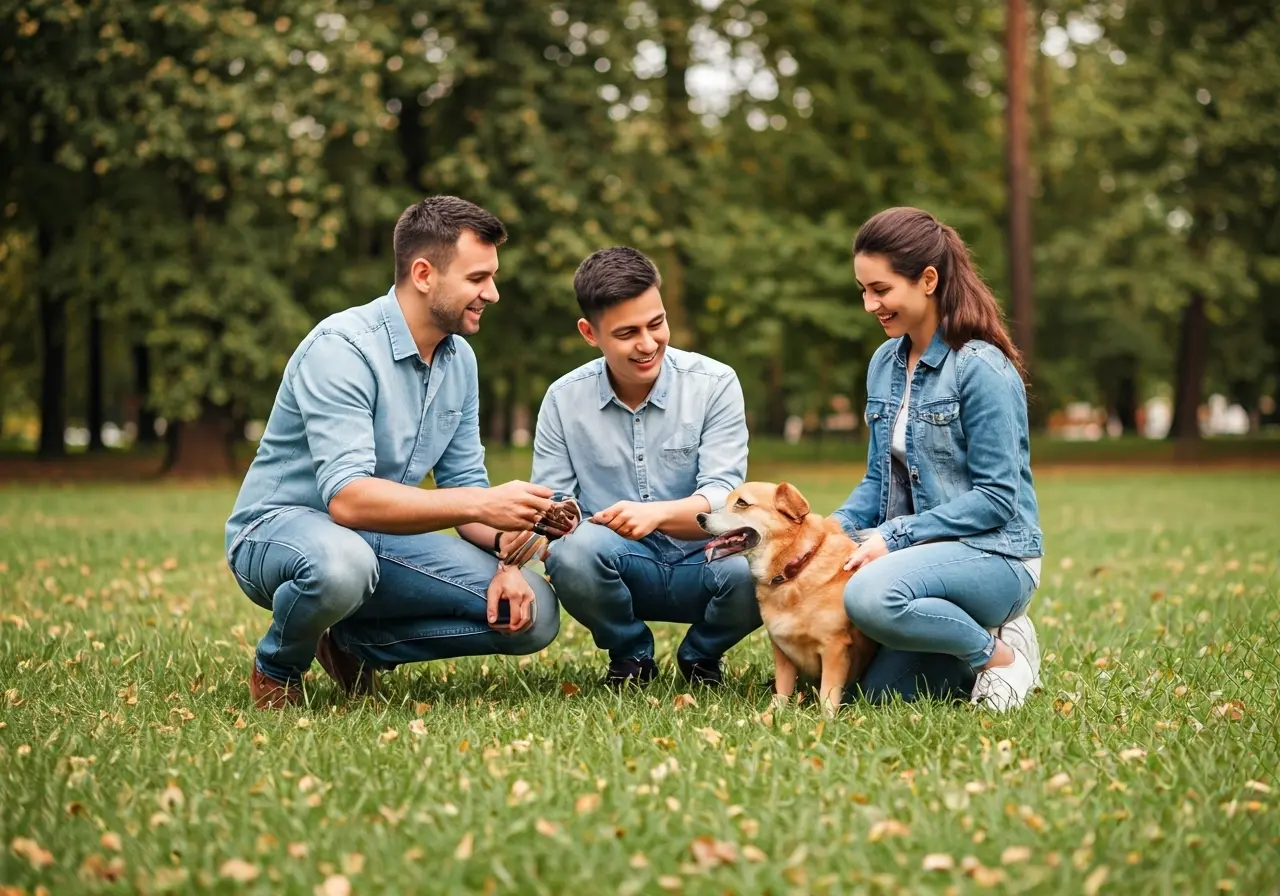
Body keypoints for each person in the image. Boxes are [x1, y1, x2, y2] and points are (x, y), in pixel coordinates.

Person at [225, 196, 561, 709]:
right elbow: (349, 502)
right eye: (477, 278)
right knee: (342, 564)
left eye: (492, 277)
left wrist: (506, 548)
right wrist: (480, 504)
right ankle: (277, 666)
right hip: (280, 531)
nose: (491, 293)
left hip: (378, 542)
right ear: (424, 273)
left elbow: (465, 485)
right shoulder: (342, 349)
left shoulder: (460, 362)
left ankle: (349, 644)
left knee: (533, 614)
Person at [832, 207, 1044, 711]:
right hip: (919, 558)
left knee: (867, 597)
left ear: (928, 280)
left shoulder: (981, 368)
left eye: (880, 290)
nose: (869, 305)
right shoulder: (884, 363)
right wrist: (829, 530)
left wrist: (893, 536)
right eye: (863, 290)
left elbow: (996, 500)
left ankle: (999, 657)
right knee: (882, 696)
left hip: (996, 553)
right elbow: (876, 479)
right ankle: (982, 636)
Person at [518, 247, 761, 687]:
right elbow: (551, 504)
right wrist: (557, 521)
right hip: (618, 563)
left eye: (657, 323)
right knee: (570, 553)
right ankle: (631, 656)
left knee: (758, 561)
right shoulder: (562, 398)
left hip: (705, 559)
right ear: (589, 333)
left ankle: (701, 656)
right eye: (627, 333)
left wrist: (655, 515)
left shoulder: (716, 383)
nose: (648, 344)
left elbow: (724, 499)